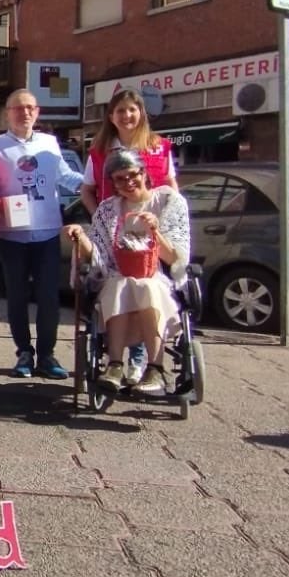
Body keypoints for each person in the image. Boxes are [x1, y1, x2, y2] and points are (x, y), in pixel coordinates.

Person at [64, 148, 192, 395]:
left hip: (158, 275)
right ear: (112, 183)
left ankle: (155, 368)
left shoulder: (167, 201)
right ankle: (115, 365)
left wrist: (154, 232)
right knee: (120, 284)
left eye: (132, 175)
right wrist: (80, 237)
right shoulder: (108, 210)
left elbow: (176, 258)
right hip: (118, 273)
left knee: (147, 285)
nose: (128, 182)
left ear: (143, 173)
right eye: (120, 179)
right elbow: (98, 254)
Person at [80, 87, 179, 387]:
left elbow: (172, 187)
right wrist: (103, 216)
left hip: (152, 229)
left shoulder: (158, 147)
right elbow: (87, 189)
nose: (126, 115)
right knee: (119, 283)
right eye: (120, 110)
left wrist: (163, 221)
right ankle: (118, 361)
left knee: (145, 285)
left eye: (132, 110)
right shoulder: (99, 151)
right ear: (111, 116)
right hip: (115, 228)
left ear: (141, 113)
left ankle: (142, 361)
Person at [0, 88, 84, 380]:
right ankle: (24, 354)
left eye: (30, 107)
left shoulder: (50, 144)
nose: (24, 113)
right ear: (7, 113)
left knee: (48, 298)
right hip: (11, 236)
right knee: (16, 298)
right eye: (18, 108)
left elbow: (66, 177)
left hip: (47, 234)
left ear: (37, 112)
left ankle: (47, 355)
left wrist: (94, 184)